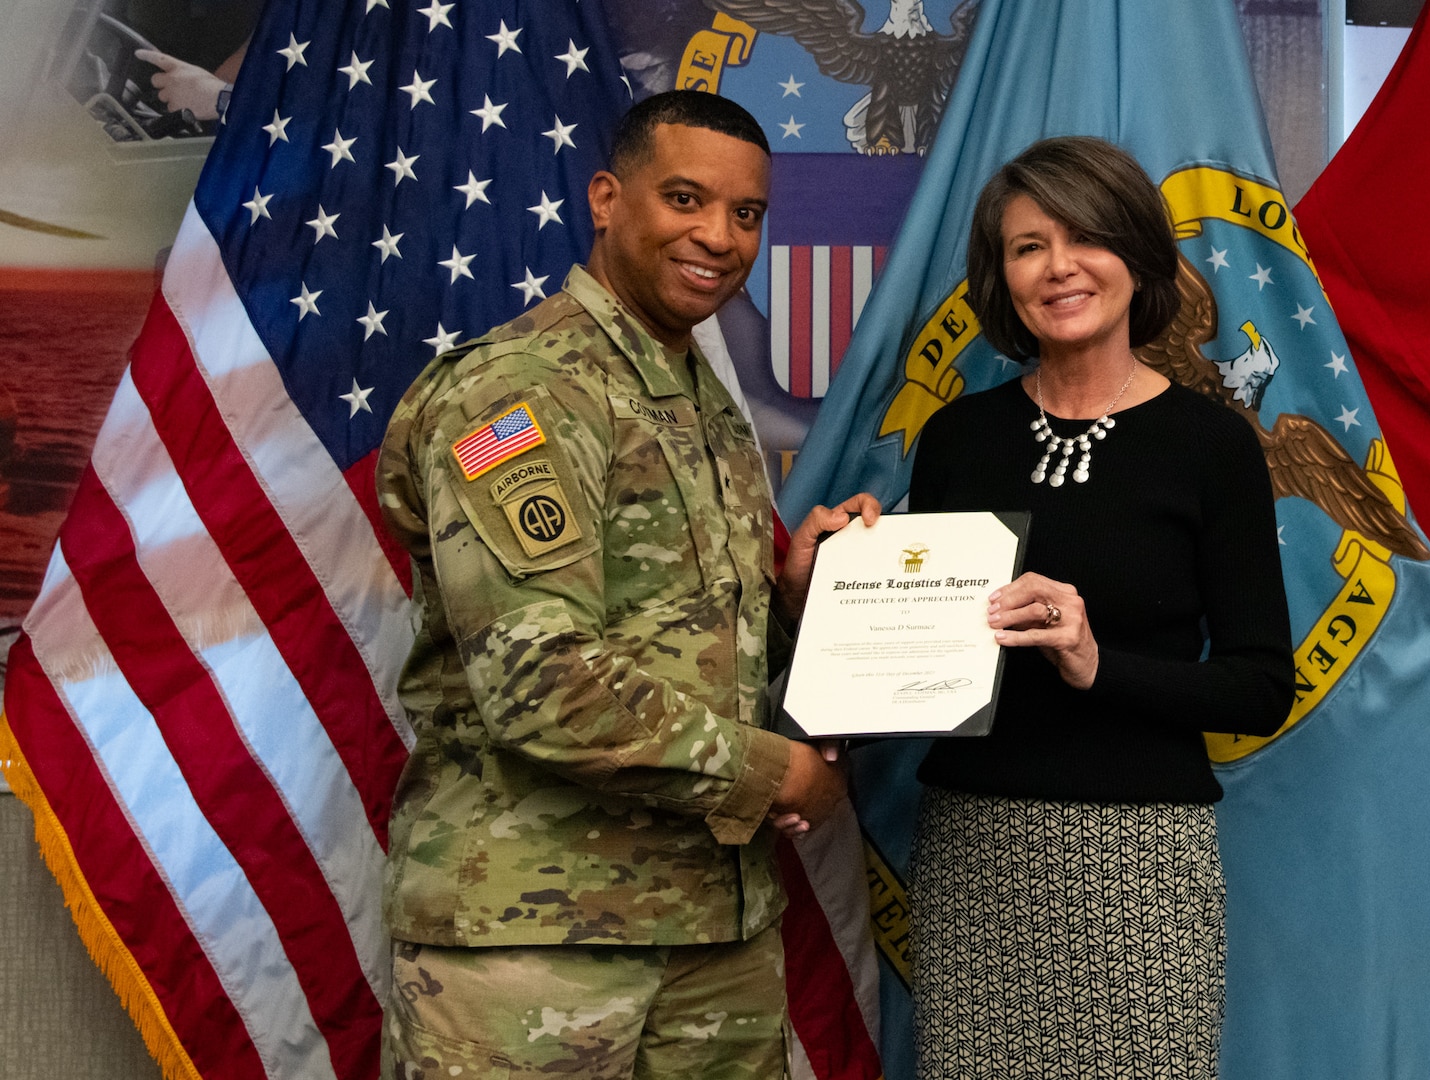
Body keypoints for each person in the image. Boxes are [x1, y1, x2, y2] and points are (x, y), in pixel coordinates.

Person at [375, 90, 877, 1080]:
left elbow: (688, 650)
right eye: (685, 198)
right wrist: (778, 774)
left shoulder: (706, 406)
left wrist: (794, 600)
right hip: (537, 936)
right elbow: (540, 679)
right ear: (608, 198)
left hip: (710, 929)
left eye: (745, 215)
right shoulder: (521, 387)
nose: (719, 237)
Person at [903, 136, 1293, 1077]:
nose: (1060, 266)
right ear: (1003, 278)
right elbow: (915, 656)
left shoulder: (1211, 446)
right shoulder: (957, 439)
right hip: (972, 853)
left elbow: (1259, 688)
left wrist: (1094, 665)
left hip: (1140, 860)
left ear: (1138, 257)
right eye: (1028, 245)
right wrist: (853, 580)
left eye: (1087, 237)